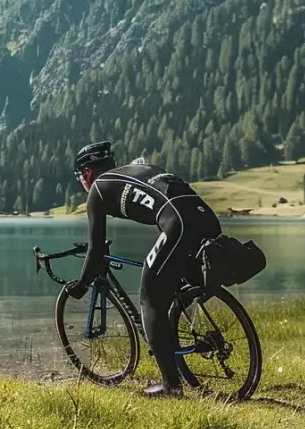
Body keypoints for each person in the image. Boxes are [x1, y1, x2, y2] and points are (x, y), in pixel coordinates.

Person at [72, 140, 223, 397]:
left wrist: (80, 285)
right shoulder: (135, 171)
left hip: (178, 223)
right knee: (172, 285)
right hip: (206, 218)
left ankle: (171, 386)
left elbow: (95, 249)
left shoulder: (99, 188)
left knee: (149, 296)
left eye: (80, 176)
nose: (82, 182)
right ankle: (177, 338)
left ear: (87, 173)